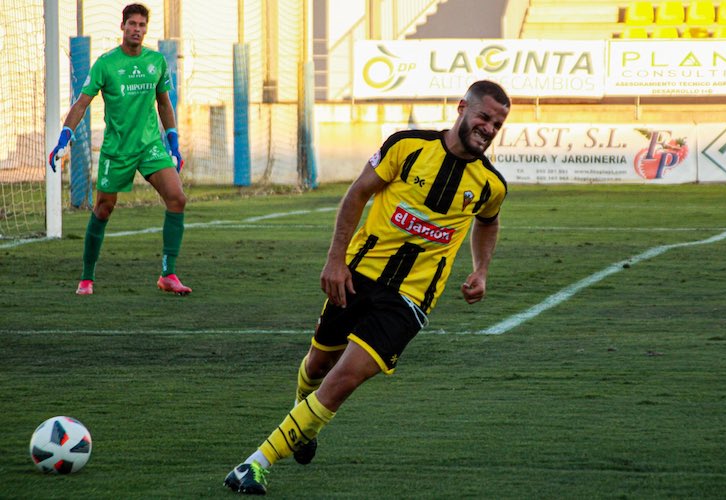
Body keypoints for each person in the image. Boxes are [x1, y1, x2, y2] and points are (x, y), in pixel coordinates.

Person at [224, 80, 511, 495]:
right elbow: (357, 194)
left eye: (497, 124)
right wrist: (335, 259)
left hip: (409, 301)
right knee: (317, 367)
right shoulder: (406, 146)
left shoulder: (490, 184)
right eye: (484, 116)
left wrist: (481, 270)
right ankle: (300, 423)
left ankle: (255, 463)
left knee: (343, 379)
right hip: (357, 277)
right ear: (462, 107)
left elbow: (489, 221)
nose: (488, 128)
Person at [48, 3, 190, 296]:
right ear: (122, 26)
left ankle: (168, 274)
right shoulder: (106, 63)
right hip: (117, 150)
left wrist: (173, 142)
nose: (137, 29)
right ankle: (87, 277)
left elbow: (164, 103)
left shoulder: (156, 62)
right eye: (132, 24)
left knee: (177, 198)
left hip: (150, 146)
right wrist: (64, 138)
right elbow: (81, 103)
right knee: (103, 208)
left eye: (142, 25)